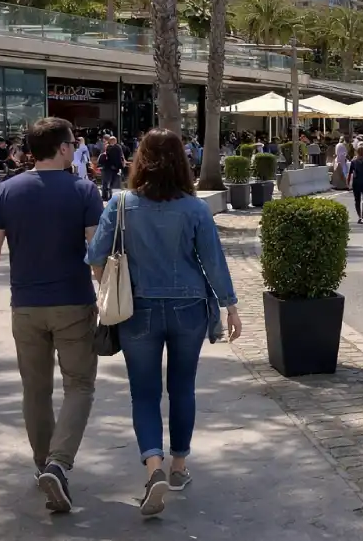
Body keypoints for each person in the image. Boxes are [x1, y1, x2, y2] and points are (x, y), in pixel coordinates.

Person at [85, 128, 241, 517]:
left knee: (144, 393)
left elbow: (95, 259)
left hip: (137, 308)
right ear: (182, 163)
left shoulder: (119, 204)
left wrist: (112, 283)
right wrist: (231, 306)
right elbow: (213, 263)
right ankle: (178, 467)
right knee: (183, 387)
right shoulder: (194, 209)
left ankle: (152, 467)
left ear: (139, 160)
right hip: (188, 305)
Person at [0, 117, 103, 514]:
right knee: (79, 385)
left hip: (24, 306)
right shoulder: (84, 190)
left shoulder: (6, 191)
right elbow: (96, 256)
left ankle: (44, 463)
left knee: (35, 389)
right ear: (62, 148)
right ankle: (59, 465)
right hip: (74, 302)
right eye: (73, 144)